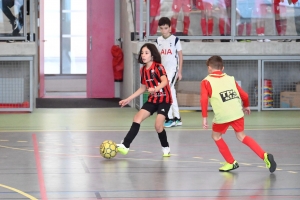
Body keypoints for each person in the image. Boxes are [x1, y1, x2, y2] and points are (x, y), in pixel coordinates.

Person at [200, 55, 277, 173]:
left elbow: (204, 100)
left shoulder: (206, 81)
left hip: (223, 115)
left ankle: (231, 162)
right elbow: (245, 95)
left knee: (216, 136)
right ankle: (265, 155)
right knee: (242, 136)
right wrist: (246, 106)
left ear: (209, 68)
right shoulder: (230, 78)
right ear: (223, 68)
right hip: (237, 112)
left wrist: (204, 117)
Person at [117, 43, 173, 157]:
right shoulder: (143, 70)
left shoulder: (158, 67)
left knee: (158, 126)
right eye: (142, 53)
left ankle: (165, 147)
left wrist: (155, 89)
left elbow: (165, 81)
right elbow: (143, 88)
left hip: (164, 100)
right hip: (152, 100)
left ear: (152, 55)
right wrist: (128, 99)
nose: (143, 55)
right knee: (137, 117)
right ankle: (125, 145)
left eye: (146, 53)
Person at [155, 17, 183, 128]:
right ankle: (177, 118)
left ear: (170, 28)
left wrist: (179, 71)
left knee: (166, 91)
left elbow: (180, 56)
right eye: (161, 28)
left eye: (166, 28)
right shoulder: (158, 41)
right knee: (171, 92)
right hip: (163, 70)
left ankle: (170, 118)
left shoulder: (175, 40)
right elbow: (157, 56)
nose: (164, 31)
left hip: (172, 69)